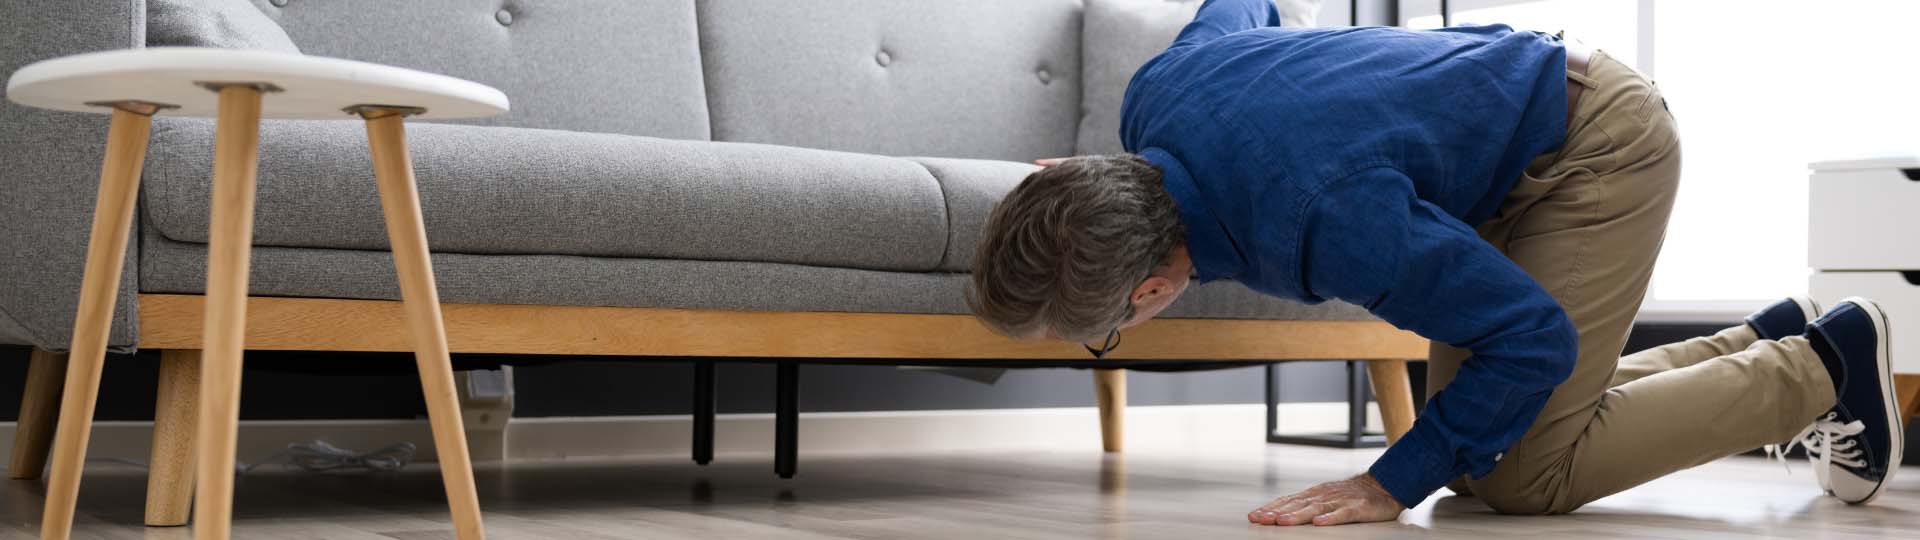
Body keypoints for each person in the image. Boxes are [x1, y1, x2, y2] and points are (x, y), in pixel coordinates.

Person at [964, 0, 1903, 527]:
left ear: (1152, 288)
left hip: (1600, 145)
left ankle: (1822, 367)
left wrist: (1389, 483)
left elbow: (1529, 338)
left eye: (1100, 334)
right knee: (1483, 445)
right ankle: (1764, 339)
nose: (1110, 338)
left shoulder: (1320, 222)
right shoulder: (1156, 96)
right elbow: (1240, 3)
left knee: (1520, 477)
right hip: (1511, 138)